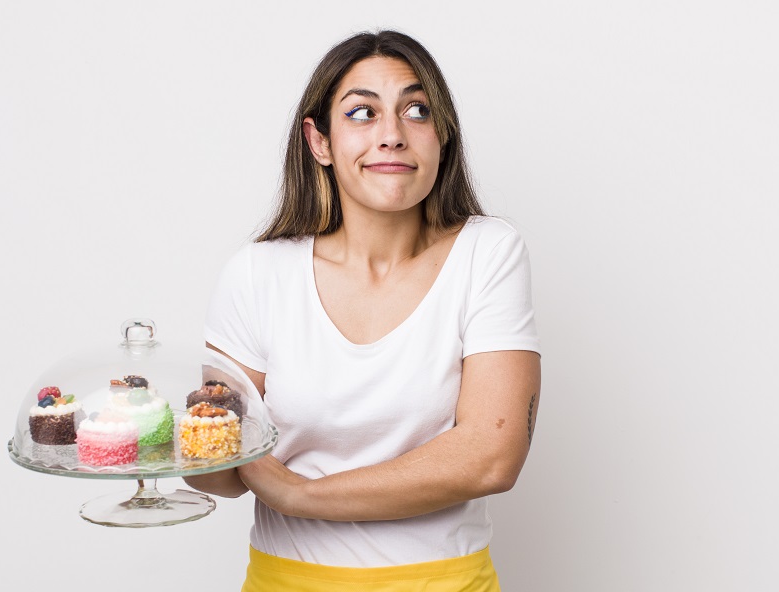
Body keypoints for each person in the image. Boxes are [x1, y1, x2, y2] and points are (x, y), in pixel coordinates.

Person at [184, 29, 541, 591]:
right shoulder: (258, 273)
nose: (392, 136)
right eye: (361, 114)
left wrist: (298, 494)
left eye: (416, 111)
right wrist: (178, 438)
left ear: (440, 136)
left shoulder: (487, 251)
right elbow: (222, 474)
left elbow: (491, 458)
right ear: (319, 141)